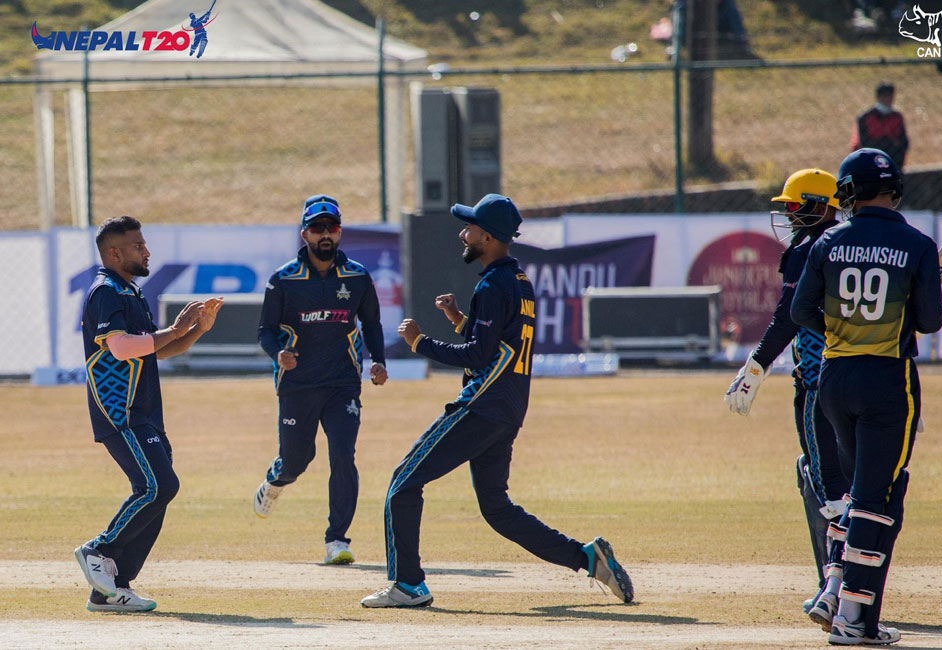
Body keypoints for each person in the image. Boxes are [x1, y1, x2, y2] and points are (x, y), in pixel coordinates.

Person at [360, 194, 633, 608]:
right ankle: (587, 557)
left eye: (469, 228)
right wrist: (460, 322)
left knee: (403, 483)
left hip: (482, 406)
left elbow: (477, 356)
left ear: (488, 237)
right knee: (497, 508)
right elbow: (497, 342)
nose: (462, 233)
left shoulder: (492, 283)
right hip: (508, 408)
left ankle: (409, 584)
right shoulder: (518, 282)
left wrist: (420, 343)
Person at [791, 148, 942, 645]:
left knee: (858, 494)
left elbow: (801, 310)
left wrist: (844, 328)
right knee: (878, 500)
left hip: (834, 381)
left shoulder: (828, 241)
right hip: (887, 382)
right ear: (894, 189)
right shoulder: (917, 244)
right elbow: (930, 321)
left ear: (849, 192)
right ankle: (854, 620)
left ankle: (837, 593)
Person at [74, 216, 223, 612]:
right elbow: (122, 348)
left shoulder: (130, 292)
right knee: (159, 487)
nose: (147, 251)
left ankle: (111, 590)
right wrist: (175, 330)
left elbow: (154, 350)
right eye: (138, 246)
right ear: (114, 253)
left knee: (157, 492)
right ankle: (98, 550)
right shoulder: (106, 292)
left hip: (144, 414)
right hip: (120, 414)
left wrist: (195, 331)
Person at [724, 169, 852, 622]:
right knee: (857, 489)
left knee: (827, 487)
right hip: (866, 381)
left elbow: (787, 318)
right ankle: (842, 586)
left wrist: (754, 367)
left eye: (795, 207)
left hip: (820, 385)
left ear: (819, 206)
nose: (790, 217)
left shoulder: (808, 248)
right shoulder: (853, 246)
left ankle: (836, 590)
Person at [253, 194, 388, 566]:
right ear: (305, 234)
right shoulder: (283, 280)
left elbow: (372, 323)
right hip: (297, 384)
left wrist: (378, 361)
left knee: (343, 454)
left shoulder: (358, 276)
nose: (325, 234)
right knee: (298, 459)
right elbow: (265, 331)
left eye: (332, 227)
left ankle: (337, 540)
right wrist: (277, 354)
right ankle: (276, 480)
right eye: (317, 228)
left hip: (343, 382)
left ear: (340, 231)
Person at [850, 83, 909, 171]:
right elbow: (863, 143)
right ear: (878, 97)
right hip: (870, 159)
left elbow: (904, 142)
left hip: (893, 158)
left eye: (890, 96)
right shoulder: (865, 117)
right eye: (885, 96)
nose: (888, 99)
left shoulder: (897, 117)